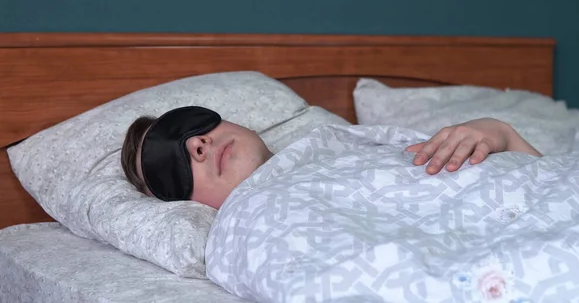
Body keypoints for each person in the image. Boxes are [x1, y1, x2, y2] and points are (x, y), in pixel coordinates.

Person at [121, 106, 542, 210]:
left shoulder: (345, 142)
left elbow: (550, 179)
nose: (196, 144)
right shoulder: (257, 225)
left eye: (191, 124)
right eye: (172, 169)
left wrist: (500, 132)